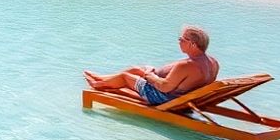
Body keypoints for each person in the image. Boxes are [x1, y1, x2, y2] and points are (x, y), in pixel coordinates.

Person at [83, 26, 219, 106]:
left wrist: (150, 75)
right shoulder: (213, 62)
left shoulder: (186, 65)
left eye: (181, 39)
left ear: (193, 44)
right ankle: (101, 78)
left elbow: (164, 87)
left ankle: (97, 85)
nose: (179, 42)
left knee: (126, 77)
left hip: (162, 97)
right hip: (181, 96)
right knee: (137, 69)